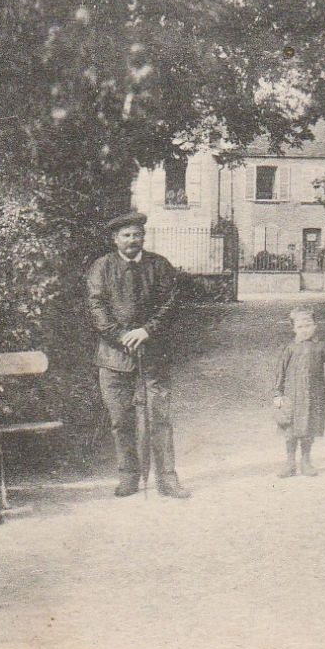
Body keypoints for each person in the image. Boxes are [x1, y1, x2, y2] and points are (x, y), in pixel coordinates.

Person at [86, 210, 189, 499]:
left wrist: (146, 331)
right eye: (126, 235)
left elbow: (171, 304)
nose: (132, 240)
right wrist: (120, 337)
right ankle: (129, 476)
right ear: (114, 239)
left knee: (159, 418)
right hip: (113, 359)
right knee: (121, 420)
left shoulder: (160, 266)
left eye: (137, 234)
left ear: (144, 237)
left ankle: (167, 479)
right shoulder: (101, 268)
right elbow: (96, 309)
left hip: (153, 356)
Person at [271, 308, 325, 478]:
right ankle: (289, 462)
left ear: (315, 326)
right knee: (290, 430)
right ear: (293, 328)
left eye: (308, 325)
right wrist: (277, 394)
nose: (305, 329)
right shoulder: (289, 349)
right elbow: (279, 372)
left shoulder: (321, 347)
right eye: (300, 326)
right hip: (292, 396)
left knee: (308, 428)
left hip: (314, 395)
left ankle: (306, 460)